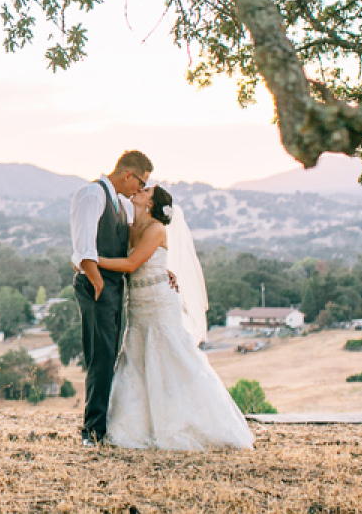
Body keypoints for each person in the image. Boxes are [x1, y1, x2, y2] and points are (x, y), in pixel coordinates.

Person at [96, 185, 255, 450]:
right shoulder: (129, 224)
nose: (138, 189)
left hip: (159, 302)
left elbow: (130, 264)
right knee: (136, 359)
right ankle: (137, 425)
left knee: (170, 357)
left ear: (151, 203)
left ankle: (188, 422)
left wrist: (92, 260)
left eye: (145, 190)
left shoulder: (157, 228)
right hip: (136, 303)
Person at [70, 150, 152, 446]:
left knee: (109, 355)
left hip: (114, 289)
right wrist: (98, 282)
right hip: (98, 287)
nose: (140, 190)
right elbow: (84, 247)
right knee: (100, 357)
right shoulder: (92, 194)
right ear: (128, 174)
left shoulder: (121, 204)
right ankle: (92, 432)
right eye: (140, 183)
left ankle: (100, 425)